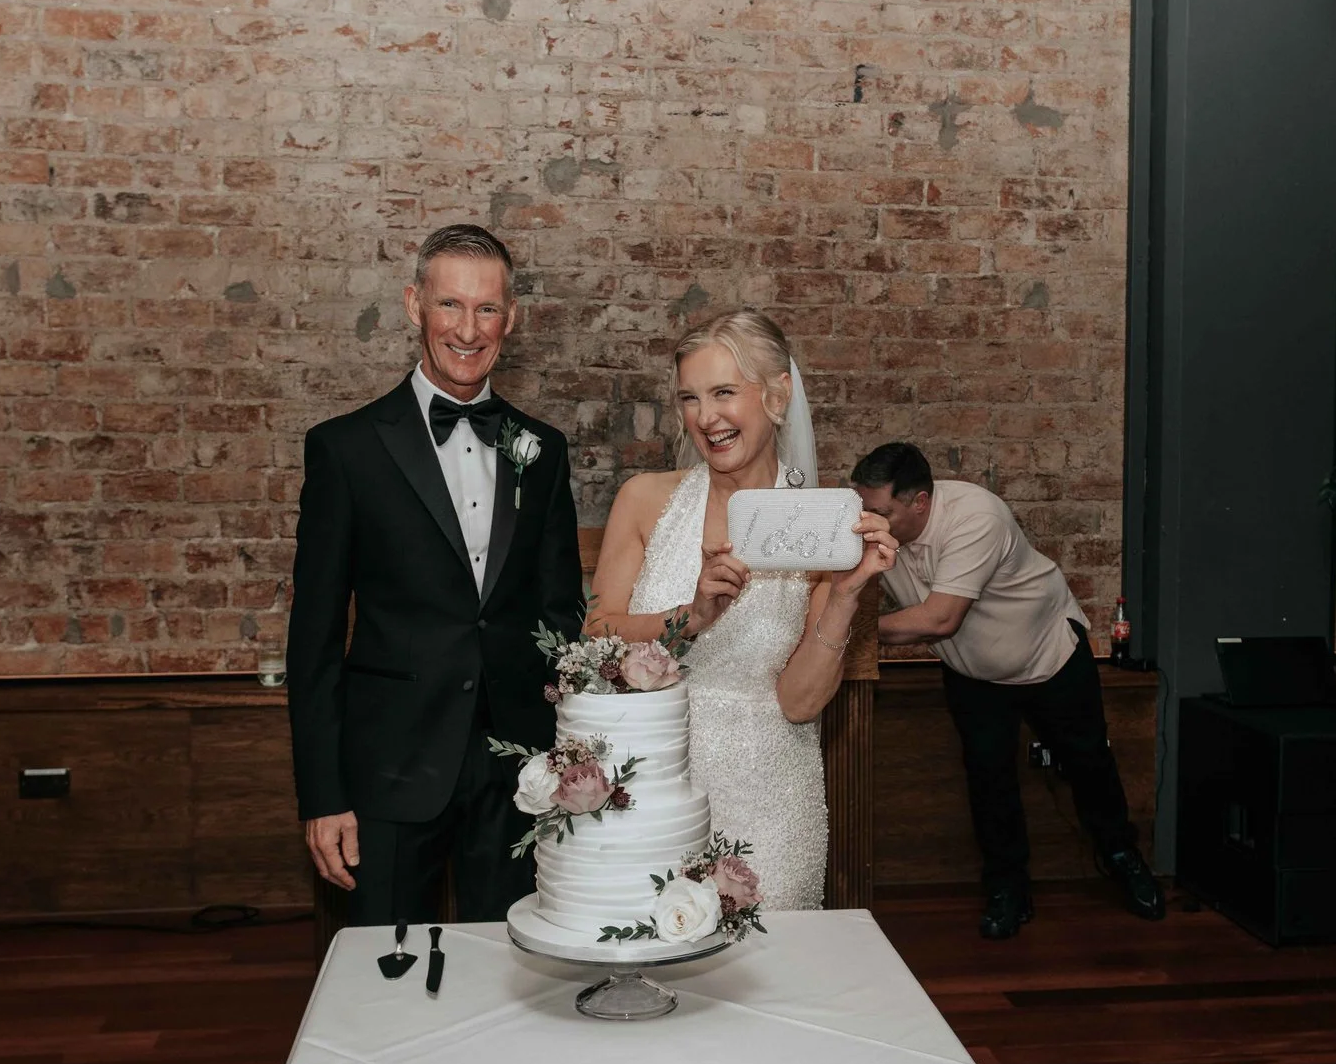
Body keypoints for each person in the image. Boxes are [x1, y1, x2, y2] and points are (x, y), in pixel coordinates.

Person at [285, 225, 583, 925]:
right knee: (382, 966)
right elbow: (314, 639)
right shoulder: (346, 450)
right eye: (450, 304)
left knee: (516, 964)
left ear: (511, 318)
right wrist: (323, 794)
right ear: (413, 305)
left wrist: (567, 758)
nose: (468, 329)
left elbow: (561, 613)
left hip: (517, 773)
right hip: (389, 768)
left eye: (487, 309)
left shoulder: (543, 449)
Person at [584, 309, 897, 910]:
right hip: (649, 789)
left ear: (778, 394)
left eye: (724, 392)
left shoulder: (821, 525)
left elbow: (799, 703)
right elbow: (595, 637)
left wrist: (845, 593)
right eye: (690, 398)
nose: (706, 417)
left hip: (769, 804)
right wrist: (690, 617)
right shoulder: (644, 499)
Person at [852, 443, 1164, 939]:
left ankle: (1123, 858)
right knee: (989, 780)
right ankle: (1007, 887)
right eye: (863, 507)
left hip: (1048, 654)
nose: (867, 522)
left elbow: (940, 619)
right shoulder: (871, 523)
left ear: (921, 502)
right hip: (974, 673)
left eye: (881, 512)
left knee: (1088, 765)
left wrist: (845, 631)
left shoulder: (976, 517)